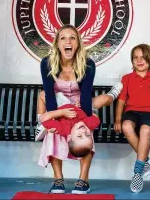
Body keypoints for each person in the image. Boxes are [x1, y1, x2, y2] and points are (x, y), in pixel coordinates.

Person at [37, 24, 123, 194]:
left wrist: (81, 121)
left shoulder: (88, 64)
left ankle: (83, 180)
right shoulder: (46, 63)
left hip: (80, 104)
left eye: (72, 38)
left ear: (78, 43)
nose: (68, 41)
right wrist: (56, 118)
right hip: (59, 102)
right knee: (52, 130)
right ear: (57, 44)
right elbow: (49, 93)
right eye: (63, 38)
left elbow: (85, 95)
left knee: (88, 125)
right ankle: (58, 180)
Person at [114, 44, 150, 193]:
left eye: (143, 58)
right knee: (126, 126)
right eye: (135, 58)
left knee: (145, 130)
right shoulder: (127, 78)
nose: (139, 60)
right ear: (132, 61)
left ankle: (138, 172)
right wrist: (118, 119)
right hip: (131, 111)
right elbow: (121, 102)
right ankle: (146, 162)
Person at [39, 92, 100, 158]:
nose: (84, 132)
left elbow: (43, 119)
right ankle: (112, 95)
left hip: (59, 105)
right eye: (88, 135)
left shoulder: (62, 129)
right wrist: (82, 108)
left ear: (69, 137)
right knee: (100, 100)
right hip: (76, 101)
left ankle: (38, 127)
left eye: (79, 136)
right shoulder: (88, 124)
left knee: (43, 93)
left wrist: (61, 112)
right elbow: (96, 119)